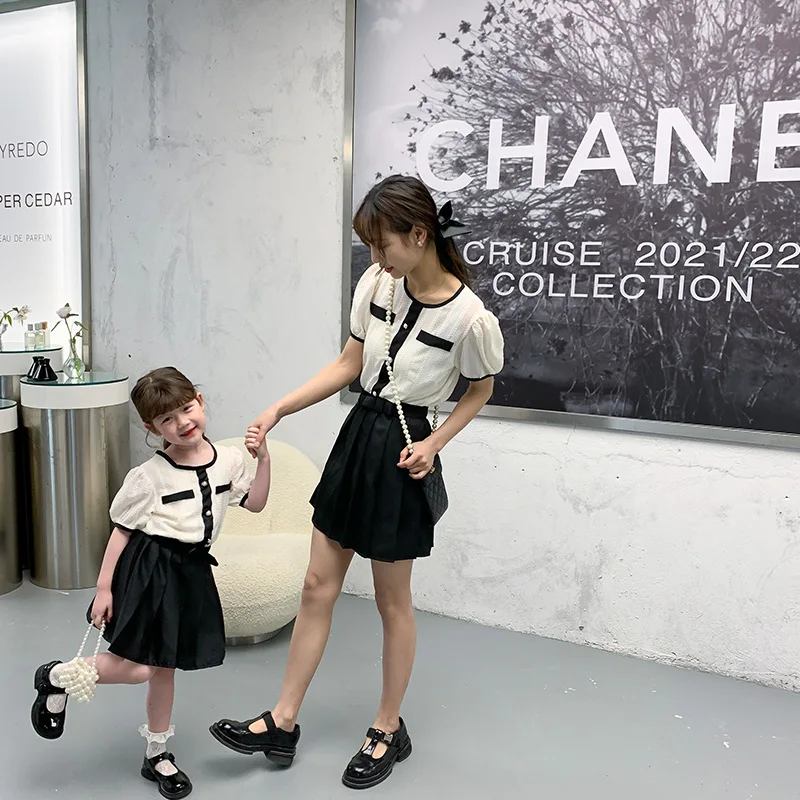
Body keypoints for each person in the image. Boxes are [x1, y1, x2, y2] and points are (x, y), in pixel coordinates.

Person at [209, 174, 505, 789]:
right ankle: (283, 721)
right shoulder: (376, 283)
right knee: (317, 585)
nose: (375, 256)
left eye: (382, 244)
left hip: (404, 449)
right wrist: (280, 408)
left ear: (418, 235)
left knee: (392, 602)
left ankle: (388, 728)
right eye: (369, 245)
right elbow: (349, 363)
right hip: (357, 437)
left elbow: (480, 390)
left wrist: (434, 445)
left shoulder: (471, 319)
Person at [30, 367, 272, 800]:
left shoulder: (230, 460)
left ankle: (157, 754)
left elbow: (254, 504)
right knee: (141, 667)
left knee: (165, 668)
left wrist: (264, 459)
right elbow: (122, 531)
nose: (182, 423)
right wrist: (104, 589)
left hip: (191, 573)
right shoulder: (149, 476)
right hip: (150, 570)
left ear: (200, 401)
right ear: (152, 428)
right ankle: (57, 676)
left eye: (187, 409)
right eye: (167, 419)